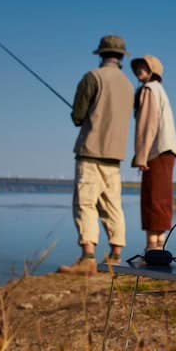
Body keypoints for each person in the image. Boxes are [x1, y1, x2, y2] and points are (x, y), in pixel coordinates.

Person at [58, 35, 134, 275]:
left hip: (91, 151)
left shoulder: (92, 77)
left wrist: (80, 115)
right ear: (121, 57)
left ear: (101, 54)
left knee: (85, 203)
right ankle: (116, 256)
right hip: (115, 155)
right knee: (113, 205)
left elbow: (78, 116)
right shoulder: (129, 85)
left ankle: (88, 257)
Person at [130, 55, 176, 251]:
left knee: (153, 198)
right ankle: (158, 243)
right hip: (165, 149)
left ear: (153, 70)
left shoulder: (150, 90)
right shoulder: (160, 90)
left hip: (157, 151)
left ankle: (153, 246)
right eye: (138, 67)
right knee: (161, 197)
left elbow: (147, 126)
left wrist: (141, 156)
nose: (139, 70)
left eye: (144, 67)